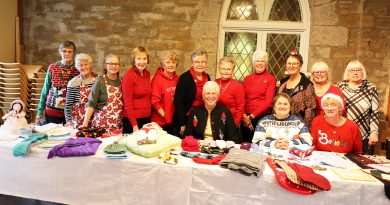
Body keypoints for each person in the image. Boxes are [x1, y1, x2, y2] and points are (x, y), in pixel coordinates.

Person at [337, 60, 379, 154]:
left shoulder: (371, 88)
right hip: (343, 132)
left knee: (360, 162)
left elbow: (375, 113)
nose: (355, 73)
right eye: (352, 70)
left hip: (363, 133)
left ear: (363, 72)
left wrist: (374, 132)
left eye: (358, 70)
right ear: (347, 72)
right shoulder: (341, 86)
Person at [36, 40, 79, 124]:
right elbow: (45, 90)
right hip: (52, 111)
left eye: (70, 51)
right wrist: (40, 111)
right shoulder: (52, 67)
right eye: (64, 51)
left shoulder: (78, 68)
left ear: (74, 53)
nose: (67, 54)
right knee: (52, 134)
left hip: (72, 112)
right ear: (60, 52)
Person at [174, 48, 211, 137]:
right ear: (192, 63)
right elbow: (178, 102)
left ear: (206, 63)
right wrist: (182, 123)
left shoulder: (207, 77)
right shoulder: (185, 78)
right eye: (197, 62)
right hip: (187, 118)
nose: (200, 64)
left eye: (203, 62)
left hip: (202, 117)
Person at [81, 54, 123, 132]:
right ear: (105, 65)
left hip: (119, 126)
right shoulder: (100, 81)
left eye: (116, 64)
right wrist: (85, 123)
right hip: (101, 127)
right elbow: (91, 103)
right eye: (110, 63)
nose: (113, 66)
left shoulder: (122, 81)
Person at [242, 50, 276, 142]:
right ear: (253, 63)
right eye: (257, 61)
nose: (260, 63)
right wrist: (245, 116)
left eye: (262, 61)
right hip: (246, 119)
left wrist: (252, 116)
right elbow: (242, 99)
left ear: (266, 63)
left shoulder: (271, 79)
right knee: (246, 146)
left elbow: (268, 102)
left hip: (262, 118)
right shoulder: (247, 79)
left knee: (260, 147)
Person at [278, 50, 316, 127]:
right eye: (289, 63)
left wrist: (304, 129)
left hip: (297, 127)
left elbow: (310, 110)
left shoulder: (306, 84)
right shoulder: (283, 83)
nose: (291, 66)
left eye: (294, 64)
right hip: (280, 124)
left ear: (300, 66)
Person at [122, 47, 152, 133]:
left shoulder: (147, 73)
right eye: (139, 58)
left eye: (144, 59)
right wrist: (134, 125)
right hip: (133, 120)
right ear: (134, 60)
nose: (142, 62)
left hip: (146, 118)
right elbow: (127, 103)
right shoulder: (128, 76)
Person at [64, 53, 97, 128]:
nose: (83, 67)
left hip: (96, 118)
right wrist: (69, 121)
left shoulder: (97, 79)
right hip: (79, 120)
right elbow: (68, 105)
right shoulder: (73, 83)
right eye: (81, 65)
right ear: (77, 67)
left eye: (86, 64)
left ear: (90, 65)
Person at [151, 51, 179, 134]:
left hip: (173, 122)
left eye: (173, 62)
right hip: (160, 123)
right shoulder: (157, 79)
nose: (171, 65)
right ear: (163, 64)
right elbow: (154, 102)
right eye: (168, 62)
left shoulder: (178, 79)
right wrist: (166, 117)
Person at [215, 56, 245, 127]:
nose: (226, 71)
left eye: (228, 69)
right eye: (223, 69)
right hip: (215, 121)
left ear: (233, 70)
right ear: (219, 69)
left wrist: (233, 126)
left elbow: (240, 109)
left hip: (231, 122)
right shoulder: (215, 83)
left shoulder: (238, 86)